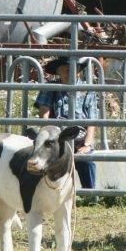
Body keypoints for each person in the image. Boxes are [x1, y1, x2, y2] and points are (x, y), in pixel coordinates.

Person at [34, 59, 98, 189]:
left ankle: (90, 194)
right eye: (65, 69)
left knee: (86, 161)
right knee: (38, 156)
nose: (68, 72)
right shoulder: (51, 88)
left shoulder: (88, 90)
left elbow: (92, 120)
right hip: (57, 137)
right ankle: (44, 191)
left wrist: (87, 144)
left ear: (79, 71)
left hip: (79, 138)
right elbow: (44, 112)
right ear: (58, 72)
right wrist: (48, 137)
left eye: (73, 69)